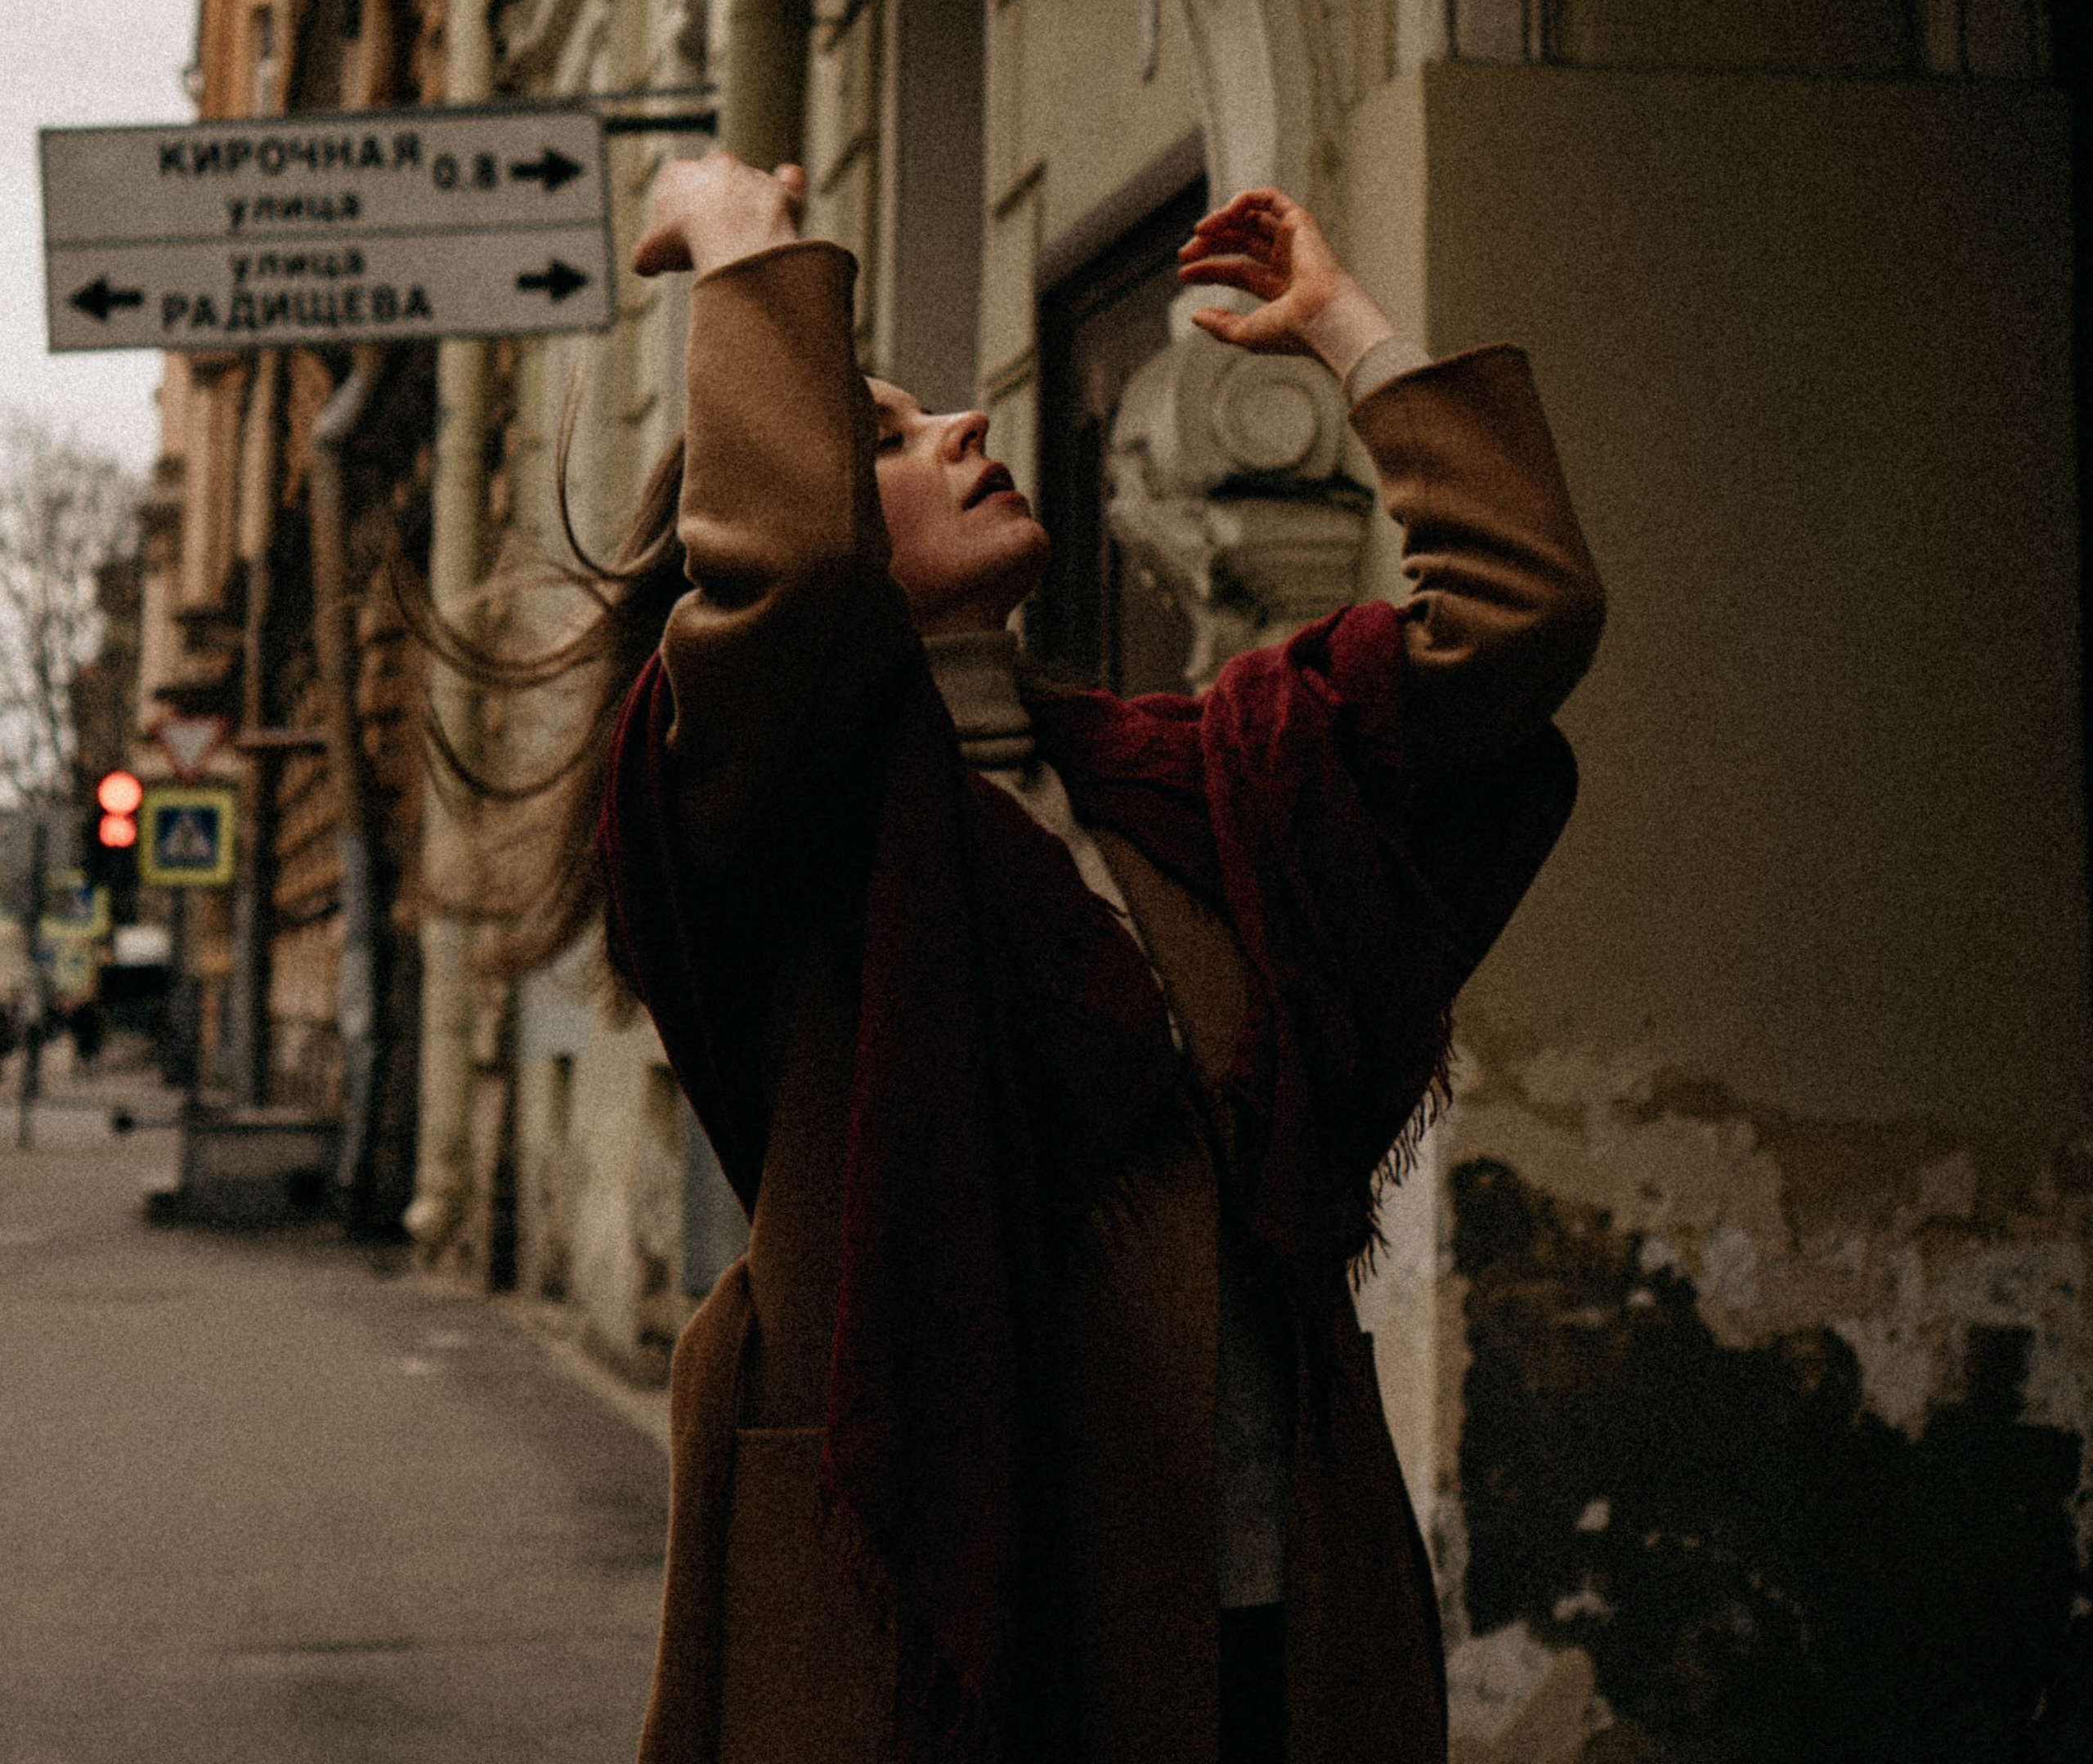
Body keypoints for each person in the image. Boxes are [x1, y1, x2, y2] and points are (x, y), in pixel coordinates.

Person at [431, 146, 1602, 1764]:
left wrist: (1348, 335)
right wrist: (738, 244)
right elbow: (789, 582)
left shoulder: (1196, 786)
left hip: (1276, 1608)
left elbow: (1516, 617)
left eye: (934, 418)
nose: (965, 428)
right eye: (884, 440)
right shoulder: (757, 830)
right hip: (947, 1625)